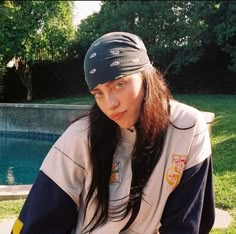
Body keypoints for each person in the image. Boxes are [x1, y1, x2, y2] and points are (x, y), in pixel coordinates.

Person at [12, 32, 215, 234]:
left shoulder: (187, 128)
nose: (110, 105)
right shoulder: (80, 138)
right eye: (98, 93)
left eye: (119, 84)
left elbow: (187, 224)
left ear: (146, 77)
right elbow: (37, 222)